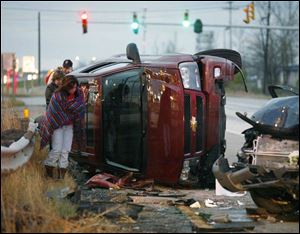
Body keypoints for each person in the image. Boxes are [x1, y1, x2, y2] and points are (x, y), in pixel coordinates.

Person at [39, 75, 85, 179]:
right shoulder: (57, 95)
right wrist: (69, 113)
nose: (74, 89)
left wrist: (72, 114)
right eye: (71, 87)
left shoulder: (79, 94)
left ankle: (61, 178)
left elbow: (81, 107)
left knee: (66, 150)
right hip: (57, 125)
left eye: (75, 87)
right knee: (57, 150)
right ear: (66, 86)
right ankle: (49, 172)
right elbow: (53, 113)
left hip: (69, 126)